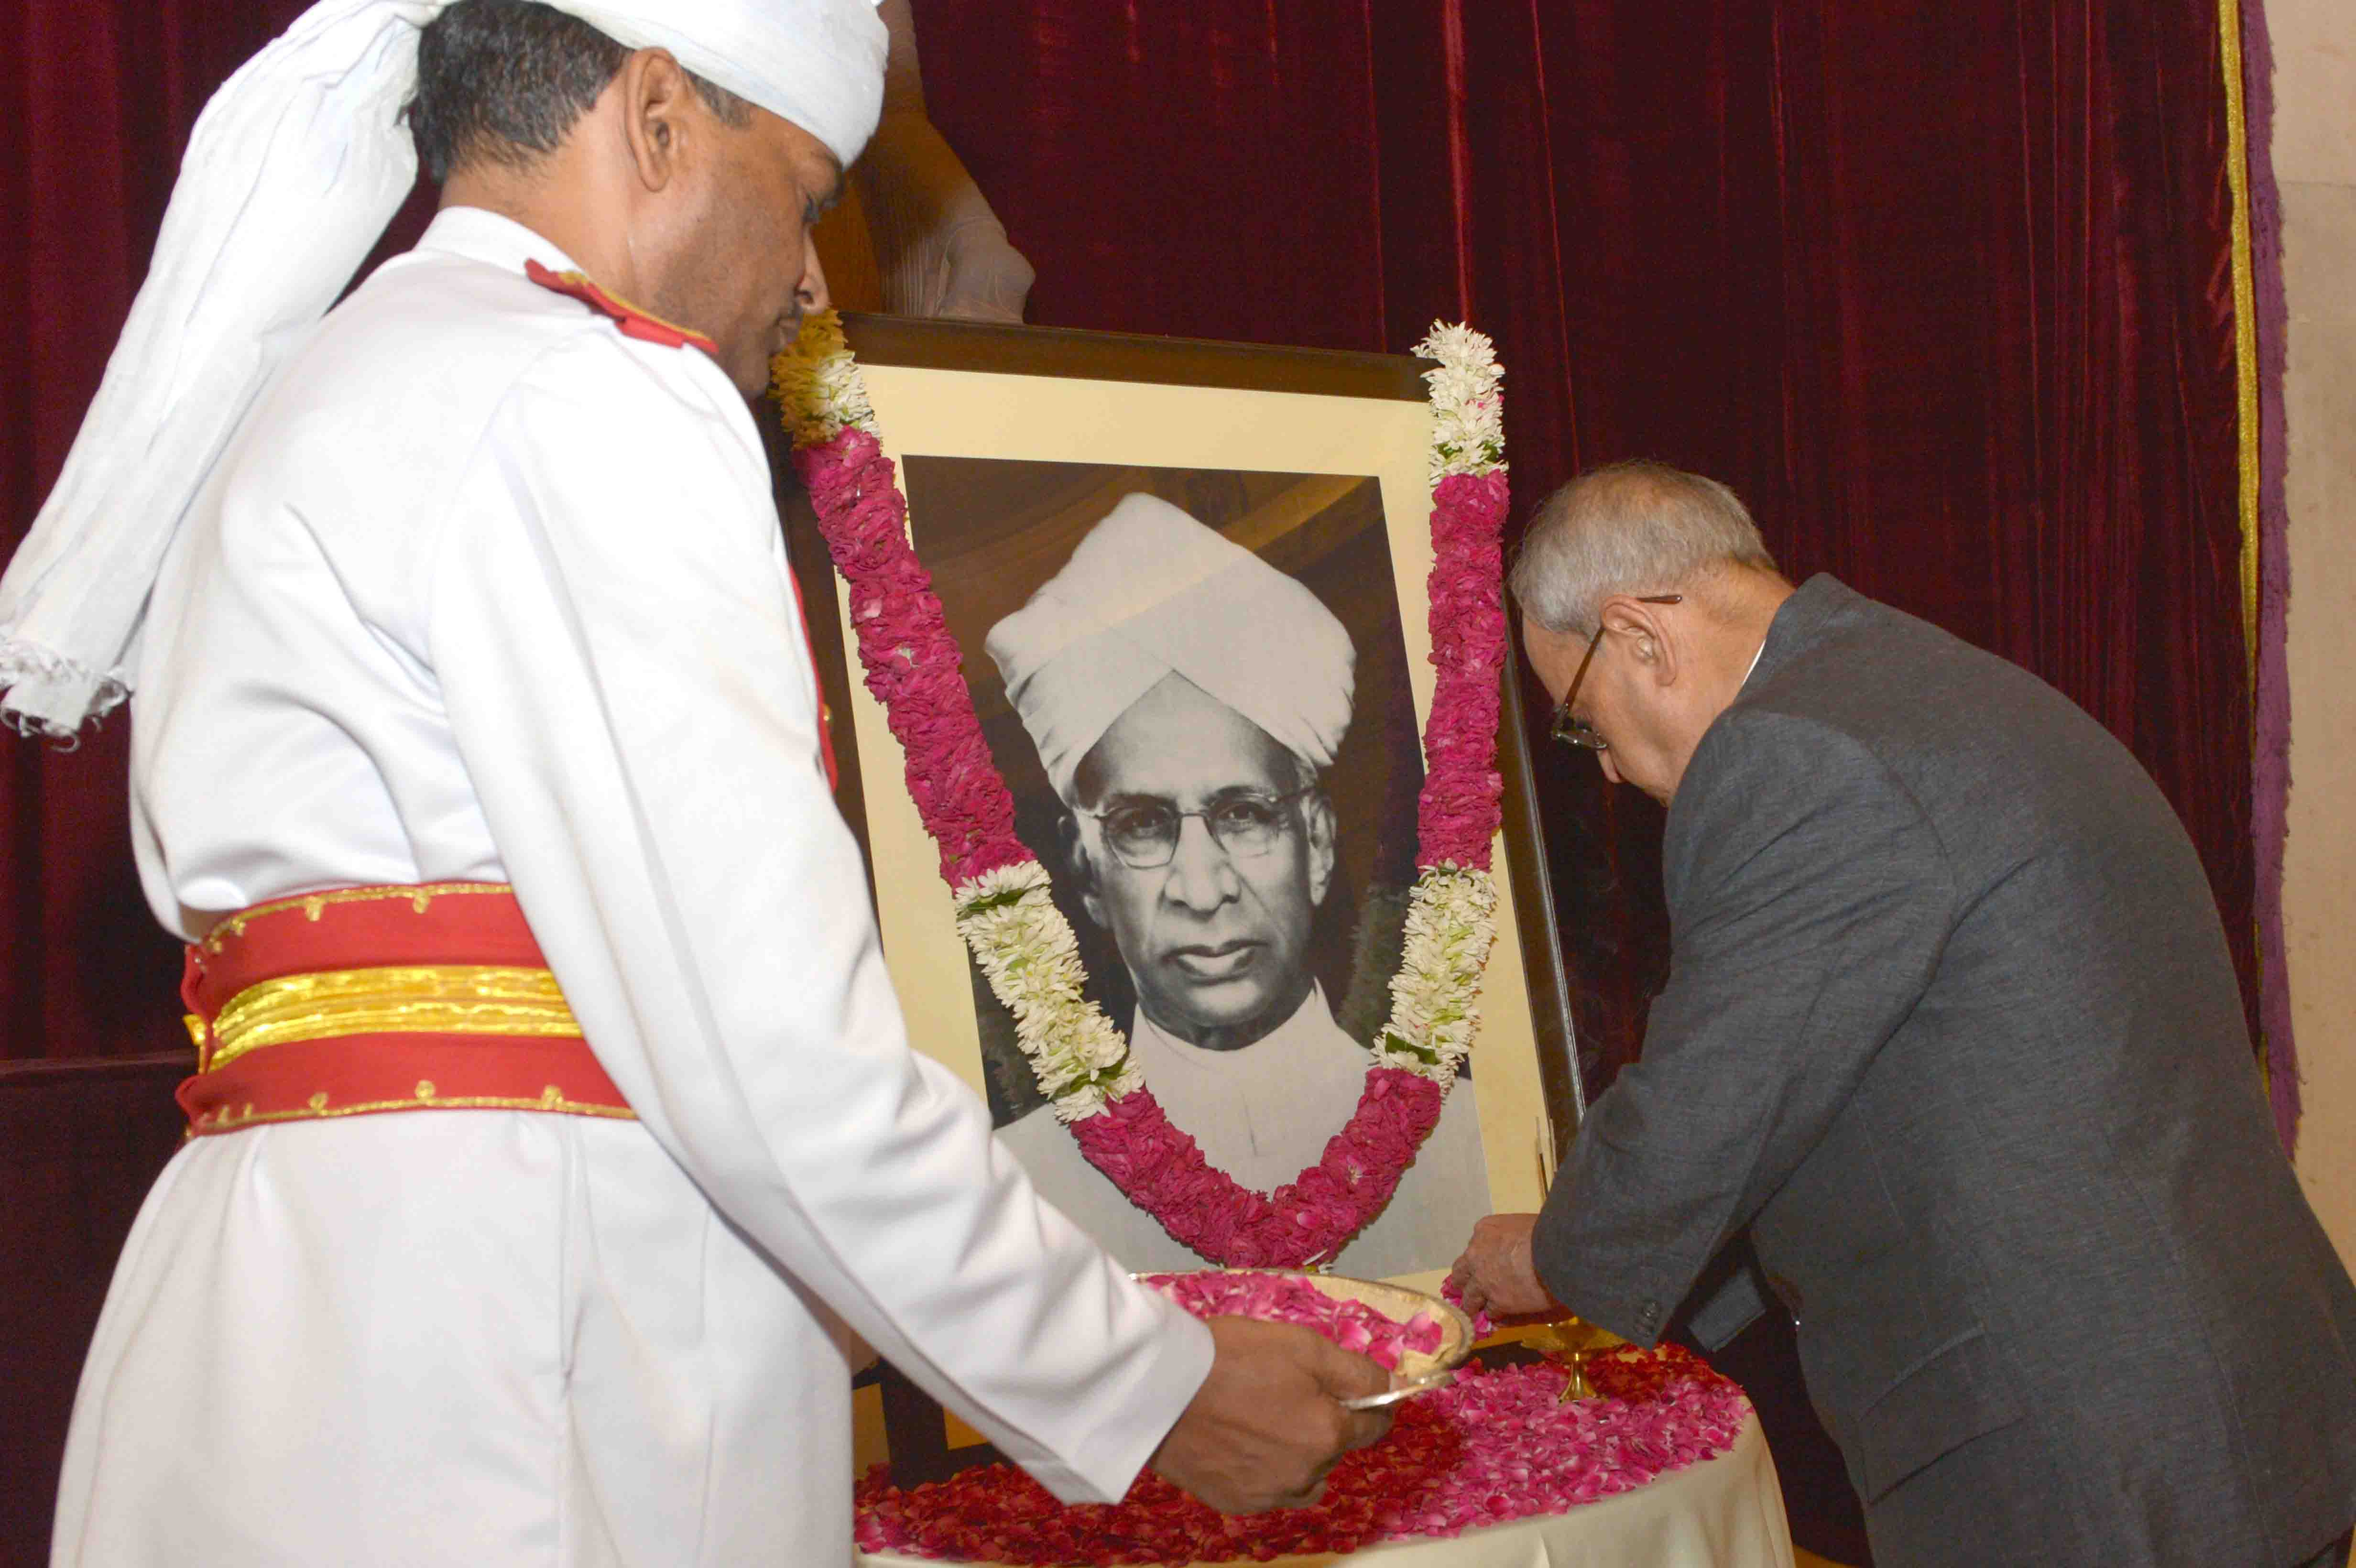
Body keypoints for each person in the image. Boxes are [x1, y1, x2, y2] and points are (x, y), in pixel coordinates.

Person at [4, 3, 1391, 1561]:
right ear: (657, 116)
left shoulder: (338, 382)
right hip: (533, 1351)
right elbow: (768, 1046)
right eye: (802, 196)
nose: (811, 280)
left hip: (295, 1314)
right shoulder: (586, 388)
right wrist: (1146, 1386)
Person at [1447, 461, 2356, 1567]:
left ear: (1642, 637)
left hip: (2084, 1462)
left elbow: (1713, 1100)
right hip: (2224, 1409)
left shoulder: (1792, 752)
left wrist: (1551, 1253)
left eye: (1584, 723)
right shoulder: (1920, 683)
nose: (1609, 775)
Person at [986, 492, 1491, 1275]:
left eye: (1245, 814)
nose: (1202, 887)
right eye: (1144, 825)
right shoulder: (1012, 1193)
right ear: (1086, 871)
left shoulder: (1472, 1145)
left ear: (1317, 843)